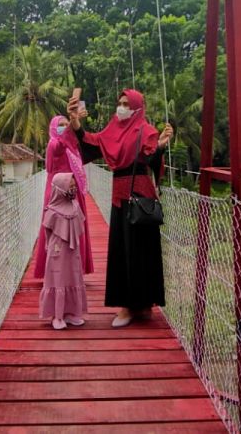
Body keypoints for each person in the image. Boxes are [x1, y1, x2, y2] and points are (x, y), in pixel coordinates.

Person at [68, 89, 173, 327]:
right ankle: (130, 306)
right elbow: (92, 143)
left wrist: (160, 146)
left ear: (137, 107)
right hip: (119, 195)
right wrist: (75, 122)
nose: (122, 107)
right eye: (120, 103)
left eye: (127, 104)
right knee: (124, 249)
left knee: (141, 250)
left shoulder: (147, 131)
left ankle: (142, 305)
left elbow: (151, 161)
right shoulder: (113, 128)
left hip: (140, 195)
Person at [31, 115, 94, 279]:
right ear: (53, 128)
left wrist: (76, 125)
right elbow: (60, 145)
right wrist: (71, 126)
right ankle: (54, 271)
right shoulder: (54, 144)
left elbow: (80, 145)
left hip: (73, 192)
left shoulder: (72, 146)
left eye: (66, 124)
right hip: (58, 194)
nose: (65, 127)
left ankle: (74, 268)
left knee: (75, 230)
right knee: (56, 232)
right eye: (61, 125)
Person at [39, 172, 88, 330]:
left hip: (73, 251)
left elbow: (79, 229)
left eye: (74, 186)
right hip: (57, 251)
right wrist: (50, 247)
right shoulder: (52, 210)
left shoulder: (75, 206)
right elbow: (47, 232)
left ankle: (71, 313)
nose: (73, 189)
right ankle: (57, 315)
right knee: (58, 278)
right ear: (59, 189)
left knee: (73, 276)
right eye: (70, 186)